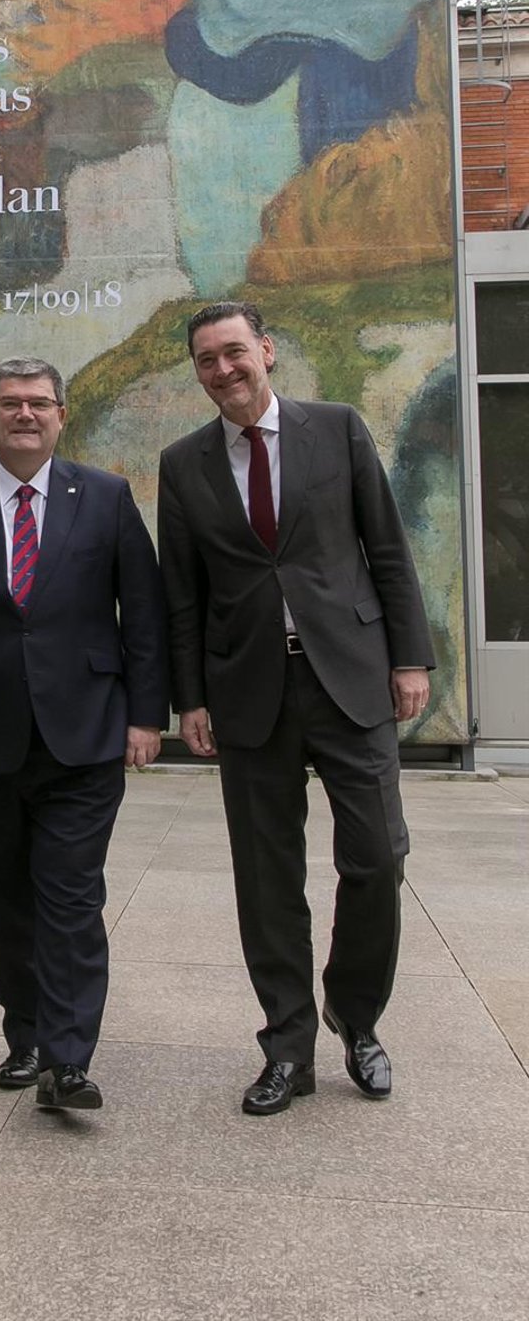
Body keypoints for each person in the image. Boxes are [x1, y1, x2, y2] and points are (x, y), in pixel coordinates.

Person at [157, 302, 434, 1116]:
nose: (223, 369)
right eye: (206, 359)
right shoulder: (183, 463)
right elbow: (182, 595)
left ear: (266, 351)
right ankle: (287, 1044)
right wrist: (189, 698)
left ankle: (356, 1012)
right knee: (266, 875)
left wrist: (410, 656)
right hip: (248, 690)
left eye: (234, 351)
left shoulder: (337, 428)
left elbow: (387, 546)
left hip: (351, 676)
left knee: (378, 854)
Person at [0, 356, 168, 1110]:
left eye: (38, 402)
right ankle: (25, 1034)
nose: (24, 414)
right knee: (4, 895)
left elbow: (144, 612)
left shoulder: (106, 496)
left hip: (85, 733)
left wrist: (146, 715)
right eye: (10, 403)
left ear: (62, 414)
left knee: (70, 896)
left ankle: (68, 1059)